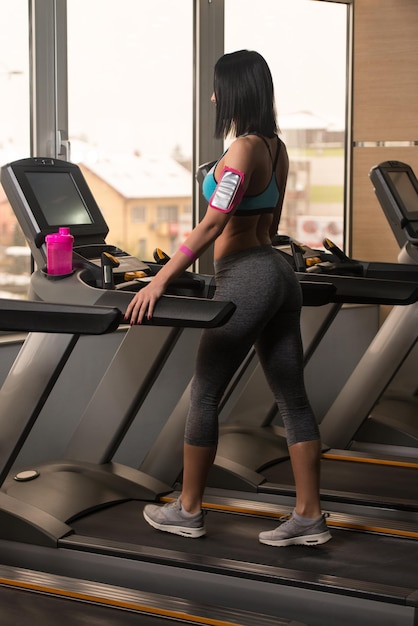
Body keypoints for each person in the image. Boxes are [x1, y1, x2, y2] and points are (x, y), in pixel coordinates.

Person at [125, 50, 331, 548]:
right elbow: (271, 221)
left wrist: (161, 280)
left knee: (206, 391)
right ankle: (310, 517)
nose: (214, 96)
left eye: (218, 88)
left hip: (248, 274)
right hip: (278, 271)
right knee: (292, 397)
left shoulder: (241, 149)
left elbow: (214, 222)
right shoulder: (275, 147)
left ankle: (188, 509)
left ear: (236, 91)